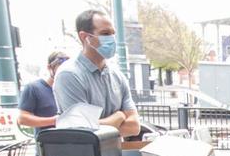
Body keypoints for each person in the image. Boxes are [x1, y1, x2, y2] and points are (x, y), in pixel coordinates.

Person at [53, 9, 140, 138]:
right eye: (105, 33)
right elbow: (84, 133)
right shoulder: (69, 75)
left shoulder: (117, 75)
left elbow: (134, 127)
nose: (111, 39)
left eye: (113, 33)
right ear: (84, 37)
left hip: (114, 154)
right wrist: (119, 116)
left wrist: (100, 125)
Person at [18, 50, 68, 136]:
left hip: (72, 141)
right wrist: (53, 120)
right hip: (47, 143)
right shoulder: (33, 88)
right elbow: (22, 119)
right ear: (49, 68)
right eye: (60, 68)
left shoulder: (69, 88)